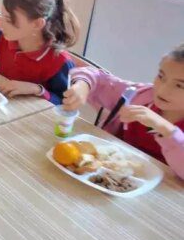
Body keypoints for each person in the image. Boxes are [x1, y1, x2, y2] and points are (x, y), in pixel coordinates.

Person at [63, 44, 184, 178]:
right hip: (107, 176)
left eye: (179, 85)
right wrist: (83, 84)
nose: (162, 90)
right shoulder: (141, 95)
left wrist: (167, 130)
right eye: (161, 76)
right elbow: (98, 77)